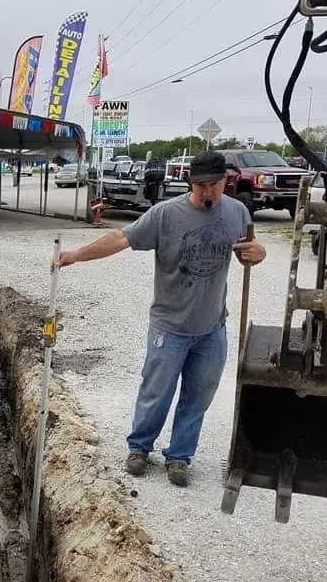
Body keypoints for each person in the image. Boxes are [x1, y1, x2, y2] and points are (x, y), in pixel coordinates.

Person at [56, 150, 266, 487]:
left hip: (212, 328)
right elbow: (120, 238)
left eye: (214, 185)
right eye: (201, 186)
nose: (208, 192)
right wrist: (76, 256)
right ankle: (139, 448)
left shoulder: (238, 213)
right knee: (156, 391)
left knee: (198, 395)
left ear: (226, 181)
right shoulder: (166, 215)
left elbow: (247, 254)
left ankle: (180, 458)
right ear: (190, 183)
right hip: (170, 327)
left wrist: (259, 254)